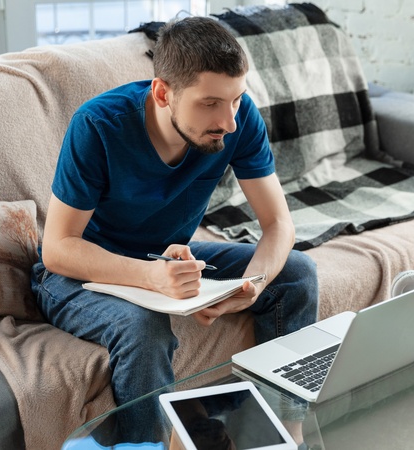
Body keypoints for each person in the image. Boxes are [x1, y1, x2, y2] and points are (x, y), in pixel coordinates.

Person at [31, 16, 318, 442]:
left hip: (163, 259)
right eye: (210, 103)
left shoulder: (237, 120)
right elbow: (57, 248)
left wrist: (251, 284)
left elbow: (278, 224)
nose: (230, 121)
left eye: (236, 99)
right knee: (143, 327)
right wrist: (151, 277)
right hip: (79, 275)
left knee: (296, 275)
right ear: (163, 93)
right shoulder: (97, 126)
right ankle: (151, 441)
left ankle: (283, 432)